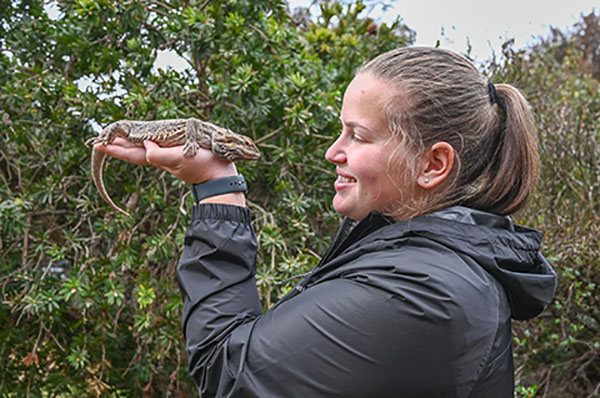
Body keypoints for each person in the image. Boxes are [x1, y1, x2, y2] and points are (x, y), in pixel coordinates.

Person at [95, 47, 557, 397]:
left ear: (433, 165)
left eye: (358, 135)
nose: (332, 152)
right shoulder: (420, 264)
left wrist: (218, 186)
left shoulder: (421, 294)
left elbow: (228, 372)